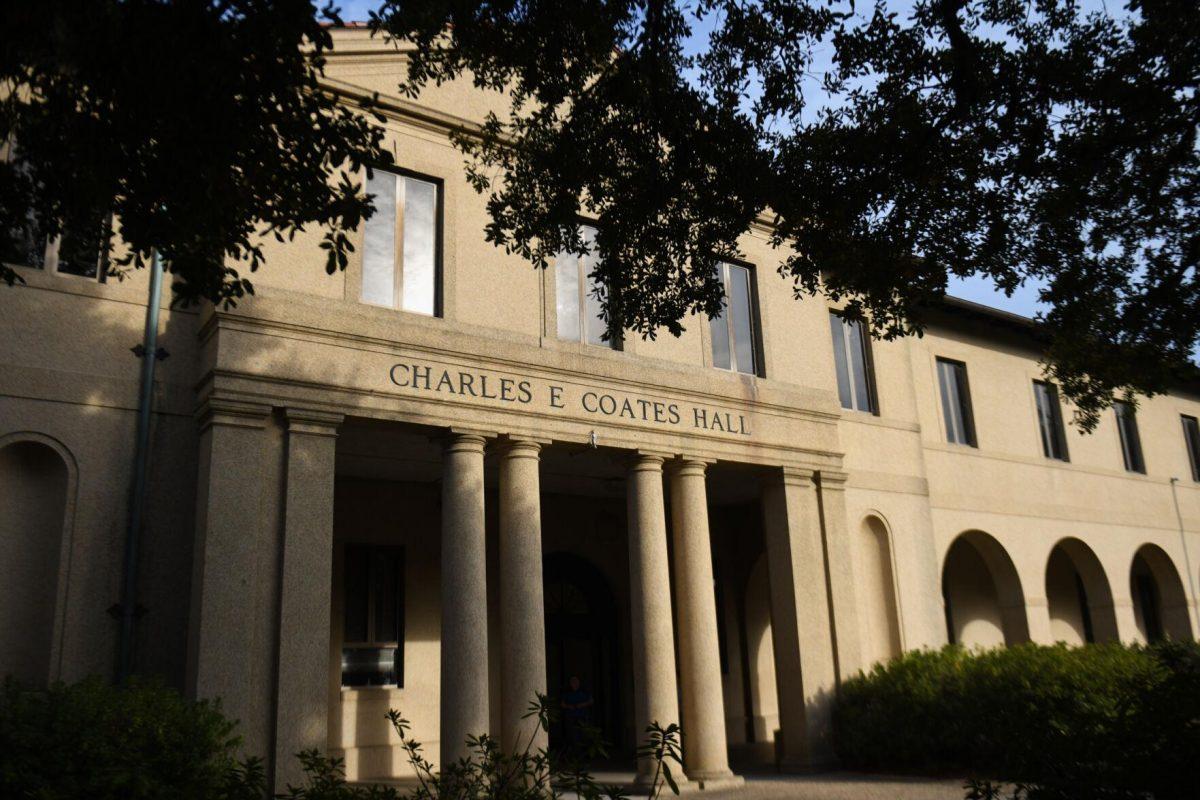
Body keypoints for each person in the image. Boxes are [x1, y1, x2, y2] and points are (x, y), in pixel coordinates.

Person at [560, 675, 594, 756]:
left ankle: (585, 754)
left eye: (576, 681)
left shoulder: (584, 691)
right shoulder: (567, 692)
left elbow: (591, 701)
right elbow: (562, 704)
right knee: (573, 736)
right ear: (570, 683)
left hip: (582, 716)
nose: (574, 683)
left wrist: (582, 704)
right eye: (573, 682)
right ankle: (574, 755)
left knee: (584, 735)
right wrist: (569, 706)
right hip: (571, 717)